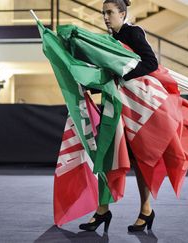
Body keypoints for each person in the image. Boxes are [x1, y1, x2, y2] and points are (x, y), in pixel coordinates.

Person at [78, 0, 158, 233]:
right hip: (114, 107)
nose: (105, 17)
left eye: (110, 12)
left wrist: (119, 74)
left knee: (138, 161)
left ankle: (146, 210)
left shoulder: (132, 33)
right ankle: (103, 210)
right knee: (105, 155)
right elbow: (109, 75)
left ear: (122, 13)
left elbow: (151, 64)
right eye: (103, 12)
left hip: (132, 111)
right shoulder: (110, 39)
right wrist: (88, 87)